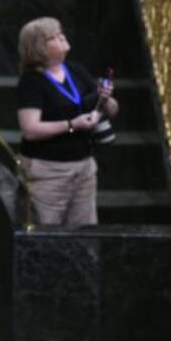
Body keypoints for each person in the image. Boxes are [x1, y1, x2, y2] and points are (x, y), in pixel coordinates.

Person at [16, 17, 118, 226]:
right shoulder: (31, 81)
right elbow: (30, 130)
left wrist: (106, 99)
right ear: (39, 48)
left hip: (84, 168)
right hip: (49, 171)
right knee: (47, 233)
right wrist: (72, 125)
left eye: (61, 33)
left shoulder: (76, 70)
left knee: (85, 232)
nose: (62, 37)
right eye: (53, 37)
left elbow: (113, 110)